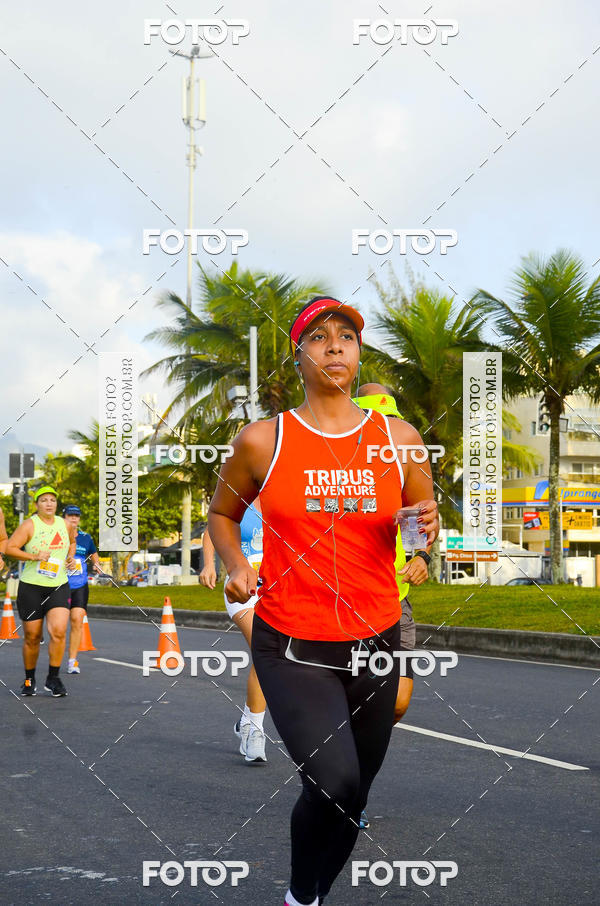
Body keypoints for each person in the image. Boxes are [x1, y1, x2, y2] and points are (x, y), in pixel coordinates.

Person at [208, 297, 439, 906]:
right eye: (320, 336)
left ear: (358, 353)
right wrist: (235, 565)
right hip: (292, 640)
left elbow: (416, 520)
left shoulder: (401, 439)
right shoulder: (264, 439)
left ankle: (306, 896)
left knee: (353, 794)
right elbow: (223, 512)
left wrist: (423, 535)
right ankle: (301, 896)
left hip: (376, 639)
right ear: (299, 353)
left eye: (346, 336)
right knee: (333, 781)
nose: (335, 345)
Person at [200, 501, 268, 763]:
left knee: (272, 656)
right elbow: (211, 531)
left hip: (275, 589)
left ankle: (247, 720)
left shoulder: (282, 497)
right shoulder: (241, 501)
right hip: (242, 588)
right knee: (263, 647)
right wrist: (209, 565)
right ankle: (255, 730)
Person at [5, 486, 77, 697]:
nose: (49, 503)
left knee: (58, 631)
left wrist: (71, 558)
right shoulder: (29, 525)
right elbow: (10, 548)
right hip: (31, 587)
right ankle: (29, 679)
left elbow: (72, 543)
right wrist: (34, 557)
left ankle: (53, 678)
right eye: (44, 500)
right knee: (32, 637)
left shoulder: (65, 524)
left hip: (58, 585)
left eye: (52, 500)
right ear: (37, 504)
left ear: (56, 504)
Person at [62, 504, 101, 674]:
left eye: (76, 516)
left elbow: (93, 552)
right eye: (70, 515)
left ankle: (72, 661)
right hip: (59, 585)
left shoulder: (86, 537)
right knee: (59, 626)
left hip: (80, 585)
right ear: (64, 517)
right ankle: (56, 658)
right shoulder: (57, 536)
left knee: (77, 620)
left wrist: (97, 564)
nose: (74, 518)